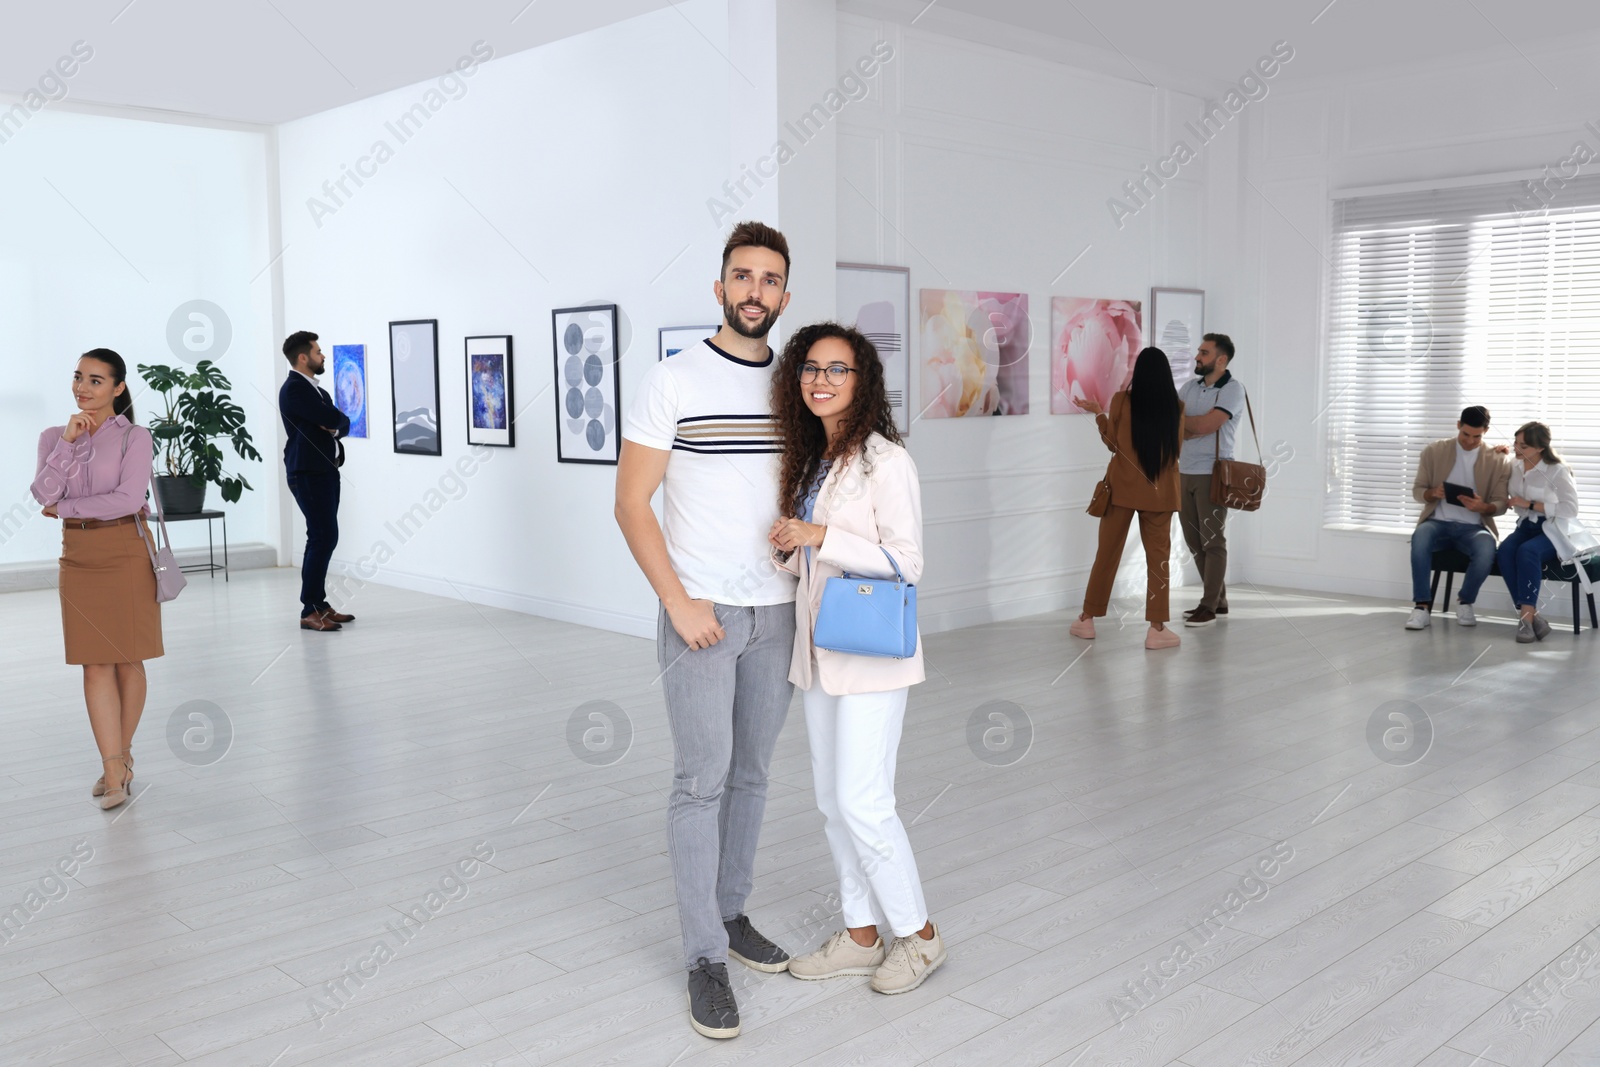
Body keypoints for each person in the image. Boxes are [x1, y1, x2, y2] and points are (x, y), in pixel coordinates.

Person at [615, 221, 798, 1040]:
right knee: (702, 780)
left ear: (784, 296)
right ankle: (701, 959)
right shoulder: (673, 379)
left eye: (769, 279)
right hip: (703, 615)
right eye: (742, 275)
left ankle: (731, 913)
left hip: (781, 611)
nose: (755, 290)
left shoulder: (798, 386)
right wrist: (681, 601)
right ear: (719, 287)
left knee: (753, 774)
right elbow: (630, 501)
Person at [767, 322, 947, 996]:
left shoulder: (886, 461)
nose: (821, 380)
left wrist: (822, 534)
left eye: (837, 369)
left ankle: (921, 937)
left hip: (869, 655)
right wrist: (792, 545)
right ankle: (861, 933)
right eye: (811, 368)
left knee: (864, 800)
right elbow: (812, 559)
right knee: (829, 800)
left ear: (863, 380)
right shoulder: (811, 456)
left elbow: (908, 562)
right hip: (818, 650)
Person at [30, 349, 163, 810]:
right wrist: (67, 444)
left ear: (118, 388)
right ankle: (114, 766)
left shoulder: (136, 438)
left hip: (126, 551)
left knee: (127, 659)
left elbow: (126, 499)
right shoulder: (54, 437)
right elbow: (42, 493)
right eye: (78, 377)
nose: (83, 388)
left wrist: (65, 508)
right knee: (94, 663)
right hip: (79, 556)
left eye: (96, 380)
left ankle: (118, 762)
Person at [1071, 347, 1185, 650]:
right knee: (1158, 562)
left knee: (1106, 555)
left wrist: (1098, 413)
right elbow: (1176, 452)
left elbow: (1112, 444)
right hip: (1161, 496)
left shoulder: (1121, 401)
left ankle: (1086, 620)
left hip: (1121, 490)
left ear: (1138, 373)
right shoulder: (1176, 407)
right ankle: (1157, 629)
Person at [1405, 405, 1510, 630]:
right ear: (1458, 426)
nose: (1470, 441)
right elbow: (1417, 491)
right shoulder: (1433, 451)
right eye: (1465, 434)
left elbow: (1502, 503)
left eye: (1477, 436)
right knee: (1420, 537)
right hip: (1437, 523)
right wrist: (1433, 493)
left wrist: (1485, 506)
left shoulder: (1497, 459)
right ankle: (1421, 607)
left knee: (1486, 548)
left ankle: (1465, 601)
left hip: (1474, 527)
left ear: (1486, 431)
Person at [279, 331, 353, 632]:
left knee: (326, 536)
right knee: (321, 536)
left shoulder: (317, 390)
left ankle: (320, 605)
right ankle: (309, 609)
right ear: (303, 357)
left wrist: (334, 424)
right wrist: (334, 422)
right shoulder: (295, 389)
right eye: (318, 351)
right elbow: (333, 419)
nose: (323, 356)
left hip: (325, 470)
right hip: (307, 472)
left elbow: (341, 421)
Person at [1176, 333, 1247, 627]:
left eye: (1203, 352)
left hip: (1213, 474)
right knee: (1194, 542)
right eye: (1198, 351)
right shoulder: (1188, 387)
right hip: (1183, 471)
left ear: (1221, 359)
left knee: (1212, 541)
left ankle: (1207, 605)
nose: (1197, 356)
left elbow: (1208, 424)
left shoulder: (1232, 389)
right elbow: (1175, 424)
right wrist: (1192, 427)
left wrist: (1189, 426)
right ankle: (1218, 601)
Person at [1499, 421, 1580, 643]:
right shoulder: (1513, 466)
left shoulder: (1557, 471)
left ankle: (1525, 620)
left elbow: (1570, 509)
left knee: (1527, 552)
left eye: (1523, 446)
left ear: (1540, 448)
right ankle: (1533, 617)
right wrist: (1495, 454)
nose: (1517, 449)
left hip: (1553, 528)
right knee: (1505, 551)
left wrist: (1530, 503)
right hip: (1526, 525)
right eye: (1516, 443)